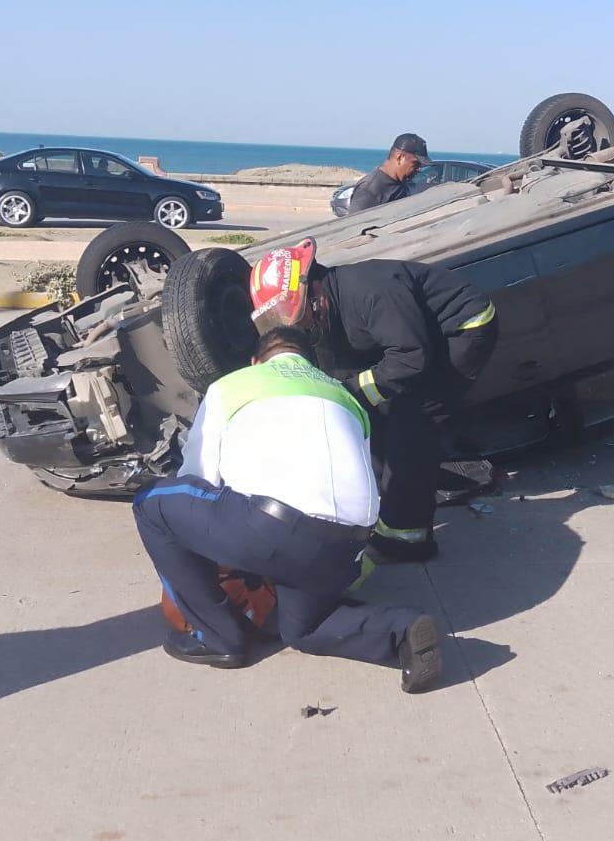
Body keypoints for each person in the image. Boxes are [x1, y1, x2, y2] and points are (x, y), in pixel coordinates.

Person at [131, 326, 443, 692]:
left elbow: (199, 479)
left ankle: (218, 637)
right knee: (304, 629)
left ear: (255, 361)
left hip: (273, 530)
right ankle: (403, 632)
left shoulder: (232, 385)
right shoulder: (345, 396)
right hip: (349, 547)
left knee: (152, 505)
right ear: (311, 364)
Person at [249, 238, 497, 563]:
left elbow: (411, 358)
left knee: (411, 427)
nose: (301, 328)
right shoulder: (329, 308)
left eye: (300, 318)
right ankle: (392, 495)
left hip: (462, 331)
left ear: (316, 293)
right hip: (416, 339)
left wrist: (350, 394)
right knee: (374, 416)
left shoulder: (372, 293)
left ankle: (407, 539)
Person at [347, 132, 431, 213]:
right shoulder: (369, 190)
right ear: (400, 157)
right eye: (416, 164)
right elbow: (355, 225)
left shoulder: (401, 182)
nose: (419, 169)